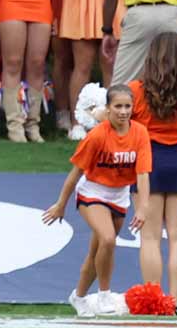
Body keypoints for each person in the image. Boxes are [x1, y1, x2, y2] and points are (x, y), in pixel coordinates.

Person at [40, 81, 152, 306]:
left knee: (98, 251)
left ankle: (79, 297)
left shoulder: (140, 133)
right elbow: (75, 174)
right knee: (108, 239)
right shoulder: (97, 136)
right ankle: (104, 294)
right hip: (93, 192)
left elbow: (142, 174)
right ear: (108, 108)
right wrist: (61, 204)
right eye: (118, 106)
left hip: (119, 195)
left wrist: (142, 207)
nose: (123, 111)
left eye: (127, 106)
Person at [129, 32, 177, 307]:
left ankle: (152, 301)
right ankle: (172, 302)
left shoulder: (136, 90)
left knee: (149, 238)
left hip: (146, 163)